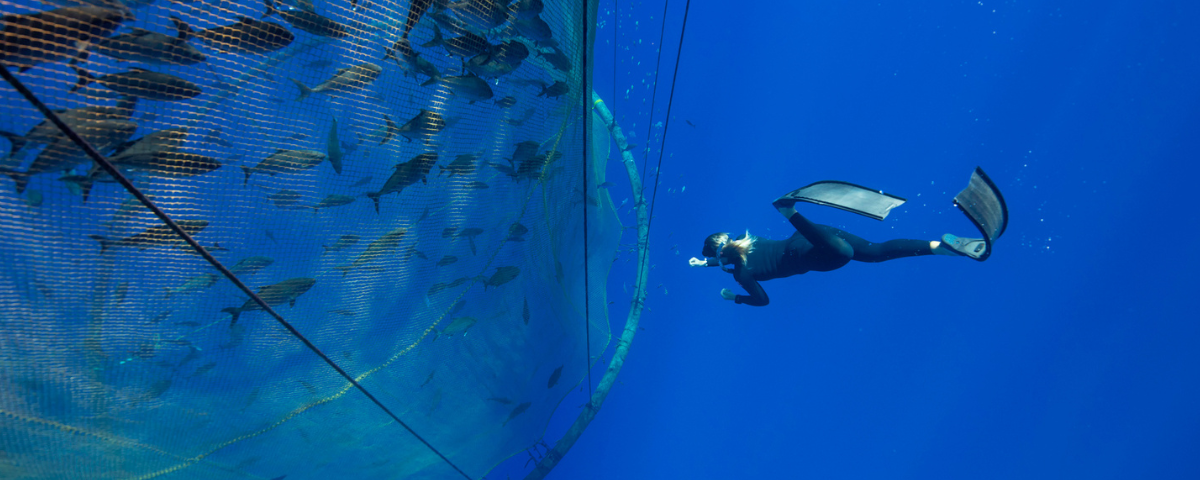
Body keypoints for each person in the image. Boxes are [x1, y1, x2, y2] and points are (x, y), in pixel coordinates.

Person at [688, 198, 988, 306]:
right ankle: (941, 247)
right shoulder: (744, 239)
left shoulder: (742, 274)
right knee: (876, 251)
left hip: (815, 255)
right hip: (814, 235)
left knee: (846, 254)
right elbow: (725, 253)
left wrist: (735, 298)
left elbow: (763, 300)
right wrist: (706, 263)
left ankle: (789, 212)